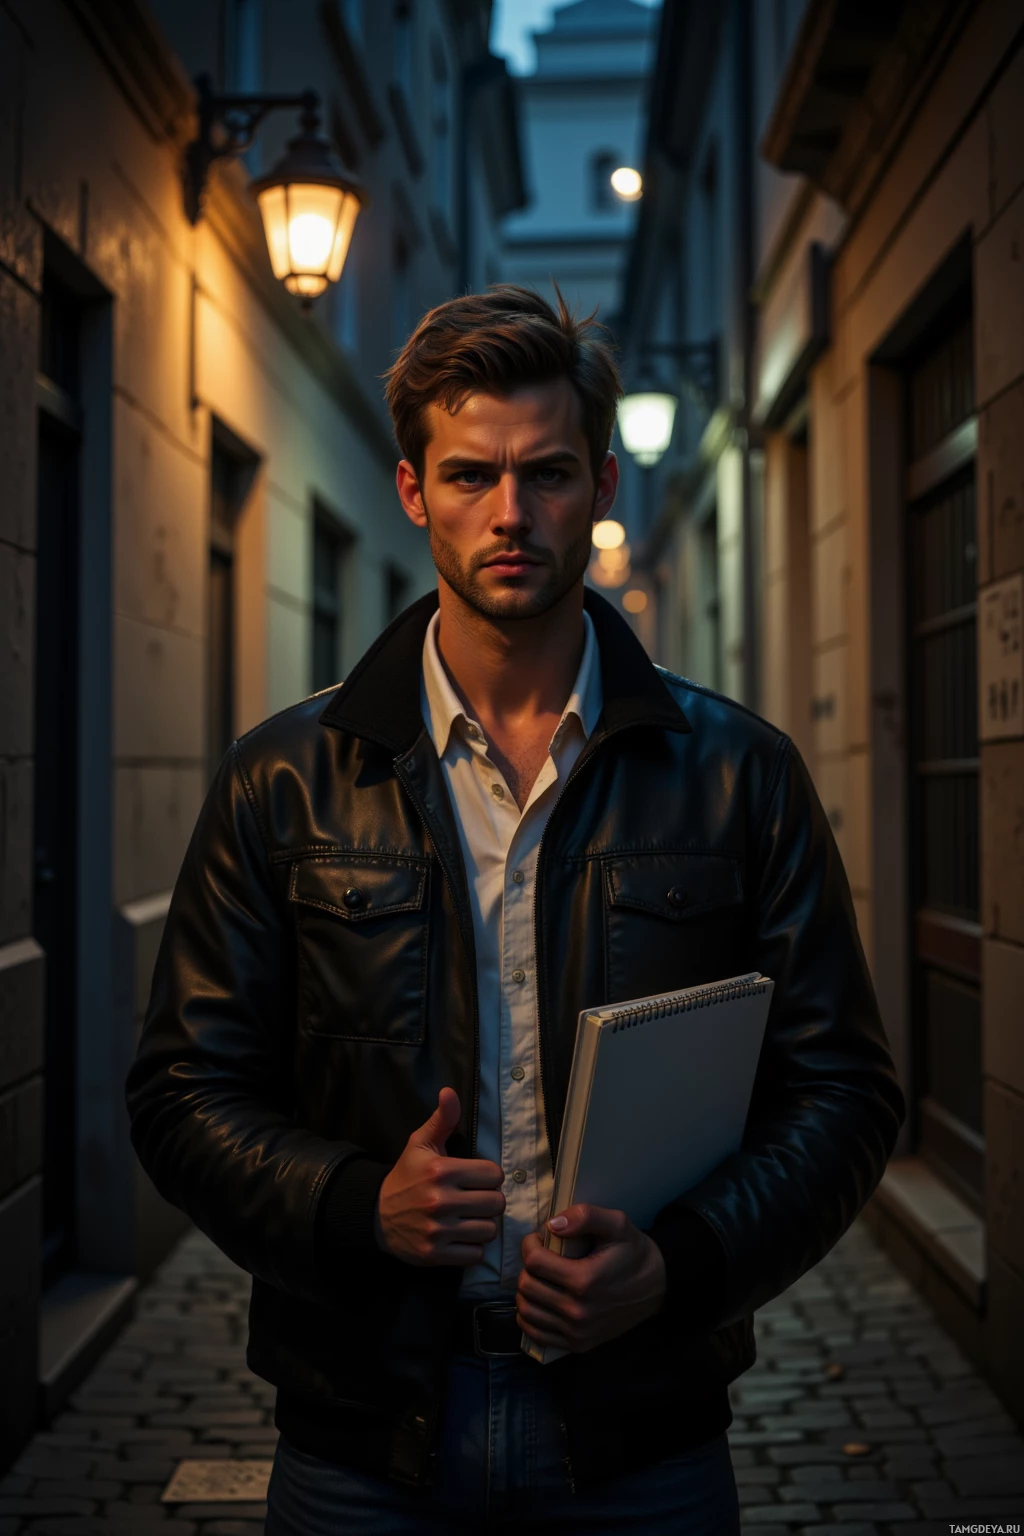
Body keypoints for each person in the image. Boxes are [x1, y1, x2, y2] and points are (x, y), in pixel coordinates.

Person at [125, 284, 906, 1535]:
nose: (508, 515)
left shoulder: (735, 773)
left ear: (600, 485)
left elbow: (845, 1094)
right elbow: (179, 1094)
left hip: (640, 1432)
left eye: (544, 474)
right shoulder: (285, 776)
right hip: (363, 1434)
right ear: (410, 491)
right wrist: (352, 1204)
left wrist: (681, 1267)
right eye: (470, 475)